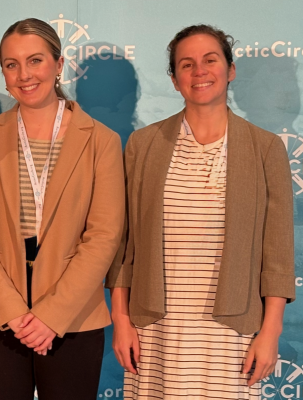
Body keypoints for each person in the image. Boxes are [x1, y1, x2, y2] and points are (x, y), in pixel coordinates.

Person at [108, 24, 296, 399]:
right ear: (174, 80)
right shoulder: (143, 146)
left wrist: (270, 332)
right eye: (187, 64)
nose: (200, 72)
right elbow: (123, 246)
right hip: (154, 331)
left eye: (210, 60)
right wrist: (121, 321)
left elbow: (277, 256)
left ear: (230, 69)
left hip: (232, 333)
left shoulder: (265, 149)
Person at [0, 18, 125, 400]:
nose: (24, 74)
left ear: (59, 64)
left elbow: (104, 235)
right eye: (11, 64)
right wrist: (13, 312)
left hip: (73, 317)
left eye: (35, 61)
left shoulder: (101, 141)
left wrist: (51, 316)